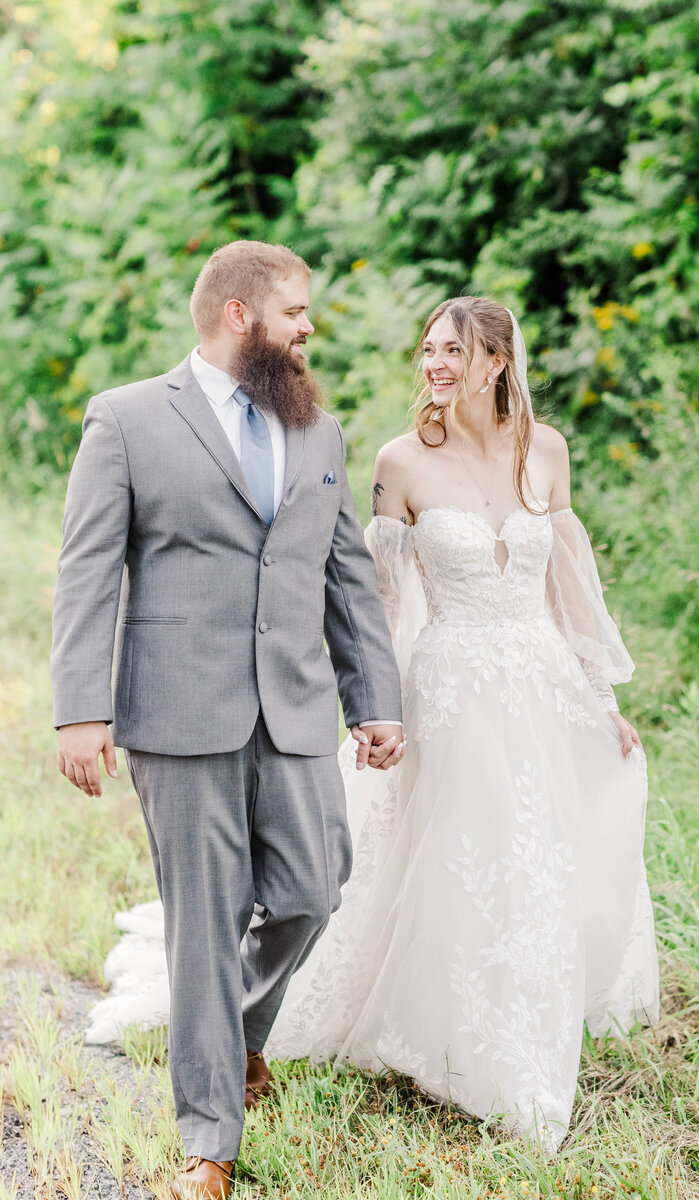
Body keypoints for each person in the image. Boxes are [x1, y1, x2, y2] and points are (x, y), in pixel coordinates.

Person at [86, 295, 660, 1151]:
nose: (435, 364)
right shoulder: (400, 460)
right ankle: (449, 1040)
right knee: (463, 854)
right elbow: (373, 601)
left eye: (454, 351)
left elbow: (568, 592)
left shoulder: (546, 452)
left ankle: (523, 1033)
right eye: (428, 348)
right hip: (451, 690)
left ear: (498, 362)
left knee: (536, 856)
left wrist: (602, 698)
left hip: (537, 688)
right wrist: (370, 708)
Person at [51, 240, 405, 1199]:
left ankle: (239, 1033)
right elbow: (87, 570)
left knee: (314, 888)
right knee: (202, 926)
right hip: (176, 712)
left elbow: (346, 580)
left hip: (293, 708)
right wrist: (80, 712)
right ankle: (212, 1143)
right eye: (295, 312)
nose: (308, 328)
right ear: (241, 315)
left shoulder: (317, 431)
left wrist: (374, 701)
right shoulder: (126, 419)